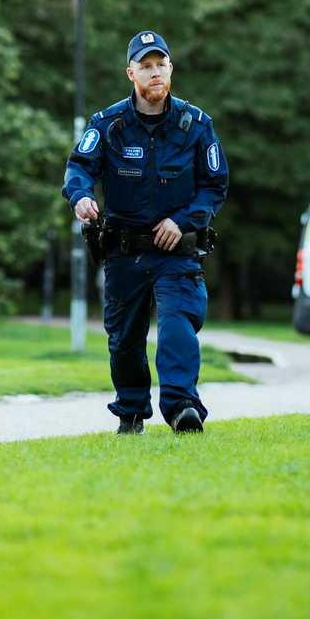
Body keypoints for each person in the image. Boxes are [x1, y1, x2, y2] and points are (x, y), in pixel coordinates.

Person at [62, 30, 229, 435]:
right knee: (124, 340)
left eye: (161, 65)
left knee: (177, 326)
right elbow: (78, 167)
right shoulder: (108, 124)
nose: (155, 73)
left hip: (177, 252)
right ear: (130, 73)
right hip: (124, 251)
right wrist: (81, 197)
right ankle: (131, 412)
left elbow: (214, 185)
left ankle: (182, 407)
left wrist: (184, 221)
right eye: (146, 66)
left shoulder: (196, 125)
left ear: (171, 69)